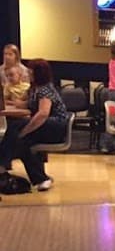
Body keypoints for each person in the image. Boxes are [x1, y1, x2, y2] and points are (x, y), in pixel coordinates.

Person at [0, 59, 68, 191]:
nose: (28, 74)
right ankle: (41, 179)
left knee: (15, 127)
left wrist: (25, 131)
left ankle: (2, 163)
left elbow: (42, 114)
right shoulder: (35, 88)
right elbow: (31, 105)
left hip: (55, 127)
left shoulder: (45, 90)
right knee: (21, 143)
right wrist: (18, 104)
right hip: (46, 126)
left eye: (30, 72)